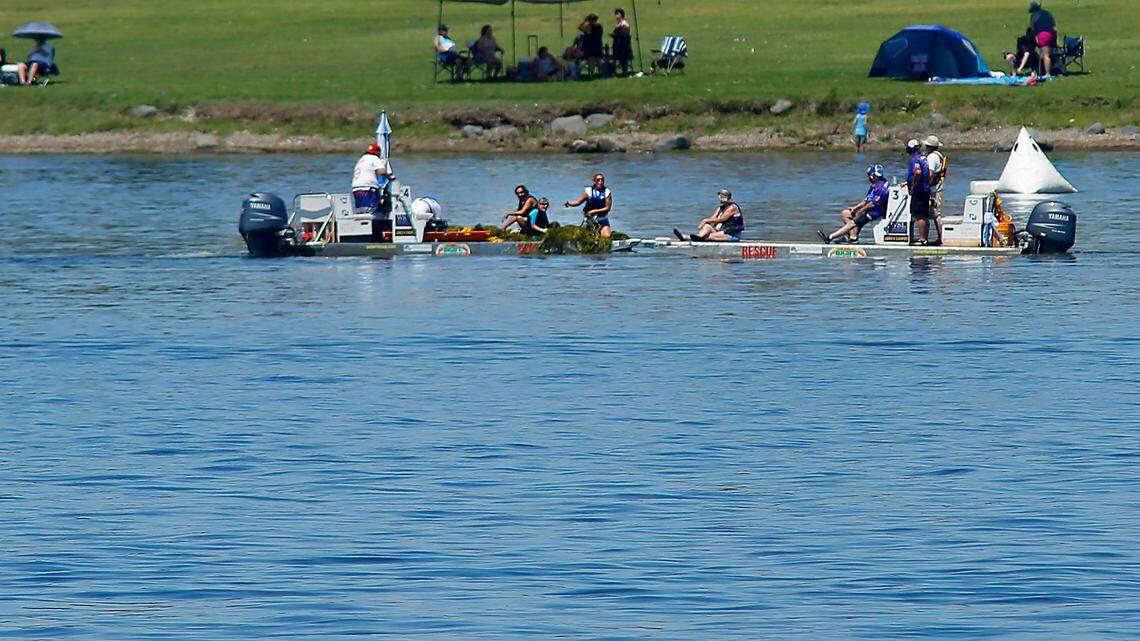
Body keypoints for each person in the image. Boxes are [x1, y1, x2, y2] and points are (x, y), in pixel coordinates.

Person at [817, 164, 890, 244]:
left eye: (869, 175)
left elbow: (872, 204)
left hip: (875, 212)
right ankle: (853, 237)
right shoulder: (874, 185)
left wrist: (861, 210)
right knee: (846, 213)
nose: (868, 177)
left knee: (852, 223)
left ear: (873, 175)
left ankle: (829, 237)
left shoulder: (882, 187)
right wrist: (855, 207)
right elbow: (866, 200)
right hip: (869, 209)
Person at [674, 188, 745, 242]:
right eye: (720, 196)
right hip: (722, 232)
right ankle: (695, 236)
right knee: (707, 226)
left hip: (732, 235)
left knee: (708, 236)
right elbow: (713, 218)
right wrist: (706, 224)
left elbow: (721, 219)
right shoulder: (720, 208)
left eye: (723, 196)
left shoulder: (732, 207)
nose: (720, 198)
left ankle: (690, 237)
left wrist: (705, 220)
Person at [565, 172, 613, 238]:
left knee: (607, 236)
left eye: (602, 179)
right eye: (598, 180)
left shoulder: (607, 192)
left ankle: (600, 232)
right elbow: (578, 202)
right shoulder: (589, 191)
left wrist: (594, 211)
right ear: (594, 181)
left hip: (602, 219)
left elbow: (608, 208)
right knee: (585, 236)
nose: (600, 181)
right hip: (590, 219)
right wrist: (569, 203)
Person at [351, 143, 394, 214]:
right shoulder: (374, 158)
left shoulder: (361, 159)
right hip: (368, 188)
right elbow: (381, 171)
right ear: (378, 152)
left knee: (361, 210)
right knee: (372, 210)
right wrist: (389, 177)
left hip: (356, 188)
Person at [905, 138, 932, 245]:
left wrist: (913, 184)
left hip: (919, 190)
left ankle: (922, 239)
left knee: (918, 215)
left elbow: (918, 172)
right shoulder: (923, 157)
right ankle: (925, 238)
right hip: (925, 189)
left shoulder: (915, 159)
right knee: (924, 215)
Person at [924, 135, 948, 243]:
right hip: (938, 187)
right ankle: (939, 238)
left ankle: (940, 238)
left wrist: (926, 186)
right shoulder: (938, 155)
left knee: (936, 214)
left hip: (934, 189)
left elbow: (931, 173)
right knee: (935, 214)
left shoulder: (931, 157)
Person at [1029, 1, 1057, 76]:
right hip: (1052, 33)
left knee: (1046, 55)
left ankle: (1047, 73)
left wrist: (1036, 38)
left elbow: (1033, 29)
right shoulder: (1048, 13)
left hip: (1043, 34)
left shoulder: (1034, 16)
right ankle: (1055, 68)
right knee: (1051, 54)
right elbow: (1054, 24)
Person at [611, 9, 634, 76]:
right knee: (620, 59)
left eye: (618, 14)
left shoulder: (624, 23)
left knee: (624, 59)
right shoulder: (618, 24)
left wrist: (619, 33)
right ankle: (618, 72)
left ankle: (625, 72)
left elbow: (625, 30)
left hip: (623, 43)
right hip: (618, 43)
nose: (616, 16)